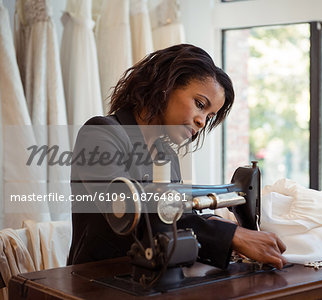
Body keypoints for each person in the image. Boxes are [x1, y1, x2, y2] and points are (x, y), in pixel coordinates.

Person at [67, 44, 287, 270]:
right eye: (200, 105)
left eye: (209, 116)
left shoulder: (166, 155)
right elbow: (133, 215)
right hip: (98, 279)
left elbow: (177, 216)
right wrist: (232, 235)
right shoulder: (101, 133)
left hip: (151, 274)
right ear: (166, 85)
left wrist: (220, 225)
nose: (202, 122)